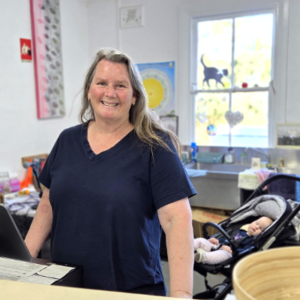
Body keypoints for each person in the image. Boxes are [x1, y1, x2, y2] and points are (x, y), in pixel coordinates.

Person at [25, 48, 196, 298]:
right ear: (89, 90)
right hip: (66, 287)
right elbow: (47, 206)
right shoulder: (67, 140)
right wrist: (22, 263)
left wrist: (182, 293)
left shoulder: (155, 146)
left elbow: (177, 221)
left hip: (131, 291)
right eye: (101, 83)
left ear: (135, 95)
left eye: (120, 85)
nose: (109, 93)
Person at [194, 216, 273, 264]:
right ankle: (189, 246)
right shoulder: (240, 231)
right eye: (257, 223)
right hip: (219, 246)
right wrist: (217, 241)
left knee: (223, 255)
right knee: (202, 241)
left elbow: (243, 252)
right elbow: (227, 237)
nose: (256, 227)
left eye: (260, 228)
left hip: (229, 254)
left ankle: (202, 257)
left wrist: (231, 251)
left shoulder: (251, 242)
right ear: (252, 222)